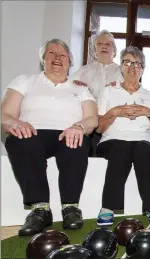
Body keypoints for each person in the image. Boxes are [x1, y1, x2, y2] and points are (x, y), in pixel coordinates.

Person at [1, 39, 98, 236]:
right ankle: (40, 209)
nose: (57, 58)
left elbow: (92, 119)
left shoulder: (80, 89)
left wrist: (79, 126)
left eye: (62, 55)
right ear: (42, 59)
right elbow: (5, 114)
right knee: (22, 140)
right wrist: (14, 123)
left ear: (70, 62)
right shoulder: (24, 81)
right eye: (51, 53)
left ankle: (70, 207)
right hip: (32, 131)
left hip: (67, 132)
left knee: (76, 143)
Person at [96, 46, 150, 225]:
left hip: (142, 140)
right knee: (121, 148)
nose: (132, 67)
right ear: (121, 66)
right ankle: (108, 208)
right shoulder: (108, 92)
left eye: (137, 64)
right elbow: (99, 128)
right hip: (112, 140)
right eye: (127, 62)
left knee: (143, 149)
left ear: (143, 69)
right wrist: (114, 112)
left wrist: (148, 112)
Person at [72, 30, 122, 157]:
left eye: (108, 44)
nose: (103, 46)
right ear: (95, 49)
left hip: (113, 123)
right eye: (100, 44)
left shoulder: (122, 72)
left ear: (114, 50)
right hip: (87, 123)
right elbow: (70, 93)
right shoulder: (83, 71)